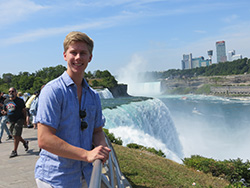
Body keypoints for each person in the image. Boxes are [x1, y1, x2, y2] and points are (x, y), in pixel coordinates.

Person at [35, 31, 111, 188]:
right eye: (73, 52)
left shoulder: (93, 96)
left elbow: (97, 131)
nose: (78, 57)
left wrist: (101, 149)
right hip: (56, 178)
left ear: (90, 57)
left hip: (85, 176)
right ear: (64, 55)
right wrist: (87, 155)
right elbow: (45, 139)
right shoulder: (53, 91)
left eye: (83, 53)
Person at [3, 87, 29, 158]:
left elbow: (24, 110)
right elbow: (6, 110)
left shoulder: (20, 101)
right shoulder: (6, 101)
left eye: (12, 91)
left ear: (16, 92)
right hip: (11, 120)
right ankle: (24, 142)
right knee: (15, 135)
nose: (11, 93)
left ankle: (14, 151)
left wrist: (25, 120)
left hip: (19, 119)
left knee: (15, 135)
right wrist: (4, 112)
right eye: (9, 91)